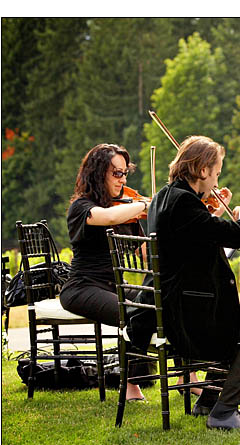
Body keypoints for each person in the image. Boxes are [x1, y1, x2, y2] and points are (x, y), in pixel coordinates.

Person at [141, 135, 240, 431]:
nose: (218, 176)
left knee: (235, 315)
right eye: (217, 169)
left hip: (174, 306)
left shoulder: (165, 197)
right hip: (189, 315)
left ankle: (210, 399)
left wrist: (214, 208)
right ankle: (224, 411)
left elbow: (199, 233)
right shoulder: (185, 205)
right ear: (202, 170)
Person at [60, 143, 153, 401]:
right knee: (136, 313)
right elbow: (108, 217)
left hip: (115, 286)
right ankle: (131, 384)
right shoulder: (81, 207)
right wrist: (144, 204)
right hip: (82, 288)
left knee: (163, 301)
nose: (122, 179)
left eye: (124, 173)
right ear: (98, 173)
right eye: (116, 173)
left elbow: (145, 254)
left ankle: (186, 377)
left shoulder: (125, 210)